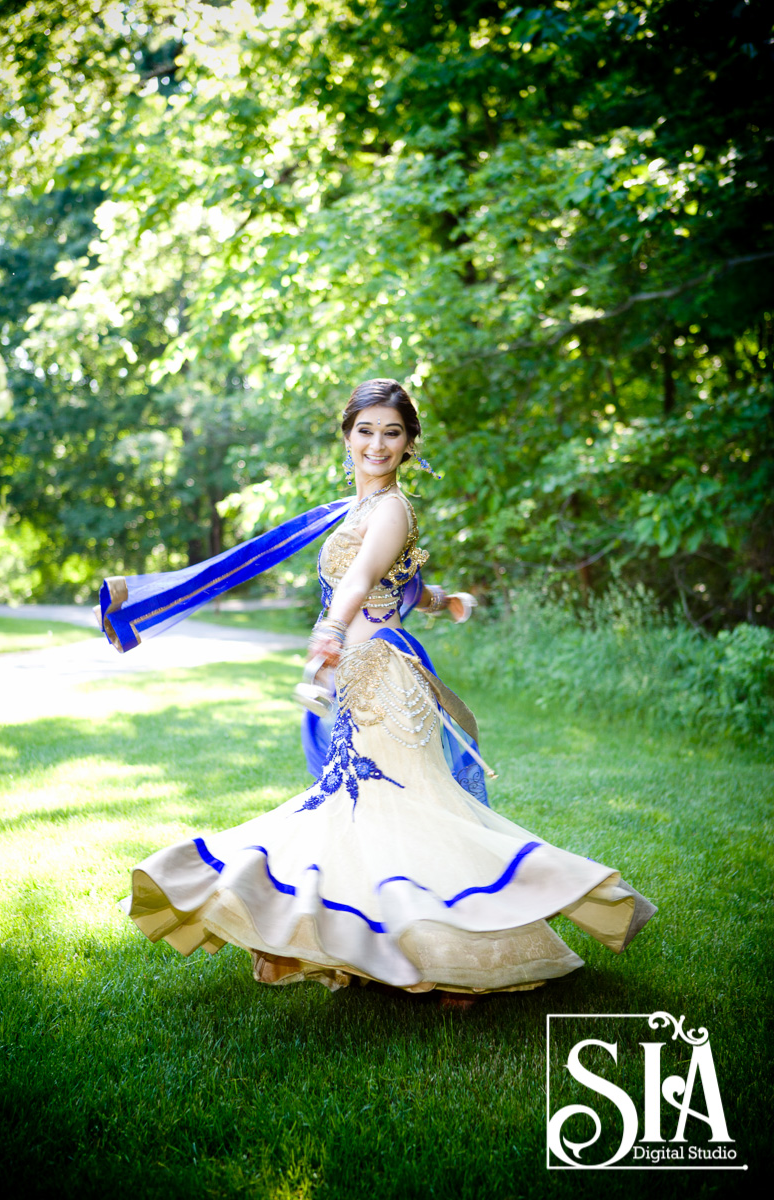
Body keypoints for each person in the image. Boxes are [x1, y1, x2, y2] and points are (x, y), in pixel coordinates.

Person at [116, 378, 656, 997]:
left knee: (402, 810)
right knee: (363, 812)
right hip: (358, 676)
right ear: (347, 436)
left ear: (408, 444)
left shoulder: (392, 507)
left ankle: (460, 947)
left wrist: (330, 628)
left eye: (391, 433)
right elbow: (398, 583)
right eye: (365, 430)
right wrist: (442, 600)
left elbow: (364, 576)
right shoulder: (361, 511)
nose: (377, 443)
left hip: (383, 678)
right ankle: (352, 945)